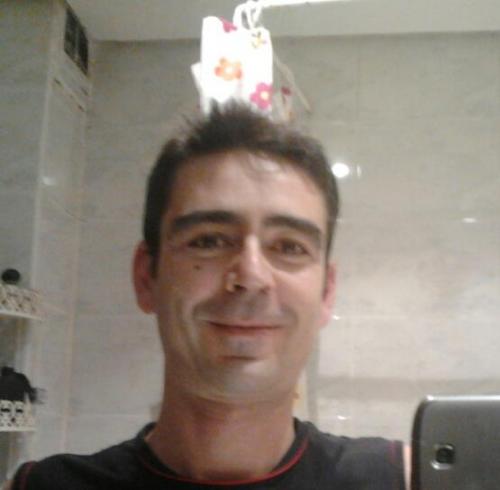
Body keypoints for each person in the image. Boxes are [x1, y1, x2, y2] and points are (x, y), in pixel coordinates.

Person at [5, 103, 408, 489]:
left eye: (289, 246)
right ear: (146, 277)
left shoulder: (405, 480)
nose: (251, 276)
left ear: (326, 293)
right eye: (209, 240)